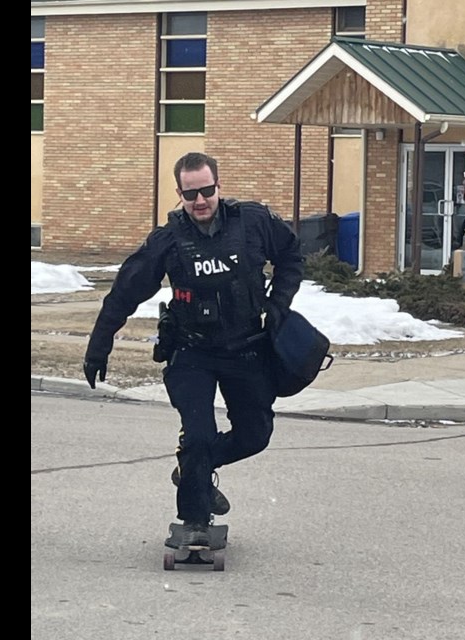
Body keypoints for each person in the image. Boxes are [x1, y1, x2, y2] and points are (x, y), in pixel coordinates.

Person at [83, 152, 303, 547]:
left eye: (206, 191)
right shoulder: (168, 239)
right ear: (180, 194)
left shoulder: (252, 222)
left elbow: (291, 256)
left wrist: (278, 303)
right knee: (198, 435)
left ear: (218, 186)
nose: (199, 201)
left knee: (256, 435)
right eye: (190, 194)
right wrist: (98, 348)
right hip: (192, 353)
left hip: (247, 349)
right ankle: (195, 519)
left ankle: (194, 470)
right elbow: (123, 294)